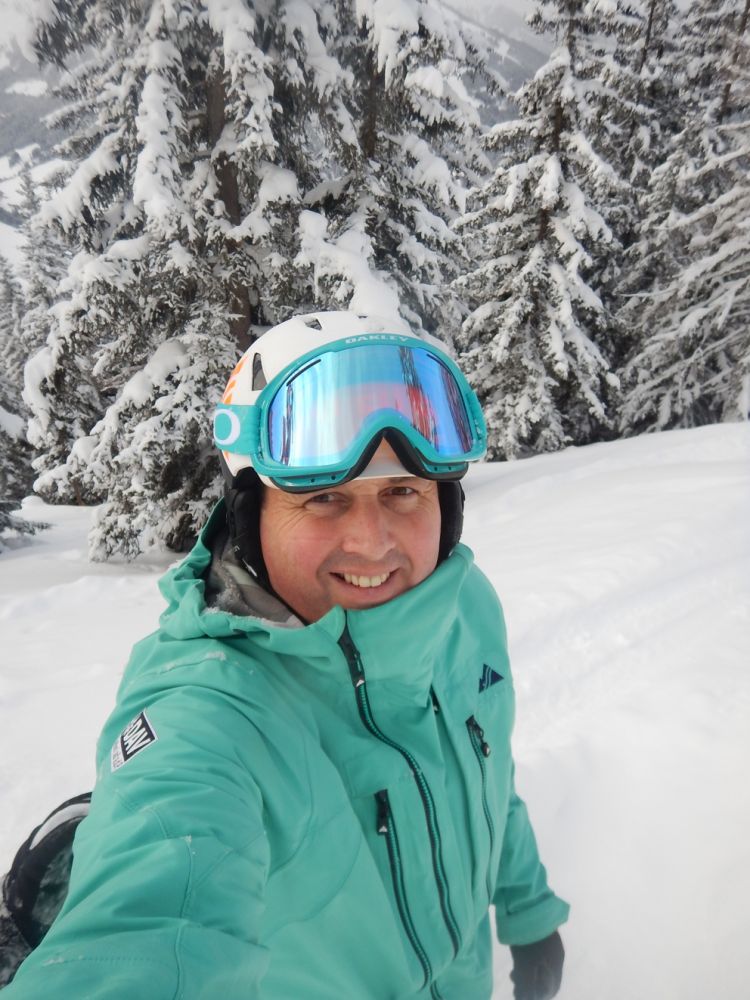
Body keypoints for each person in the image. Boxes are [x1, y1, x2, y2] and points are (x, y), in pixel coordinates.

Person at [3, 311, 569, 999]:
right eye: (323, 498)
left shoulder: (463, 608)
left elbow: (488, 774)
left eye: (402, 492)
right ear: (251, 514)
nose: (373, 542)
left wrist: (529, 910)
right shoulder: (210, 713)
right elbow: (148, 922)